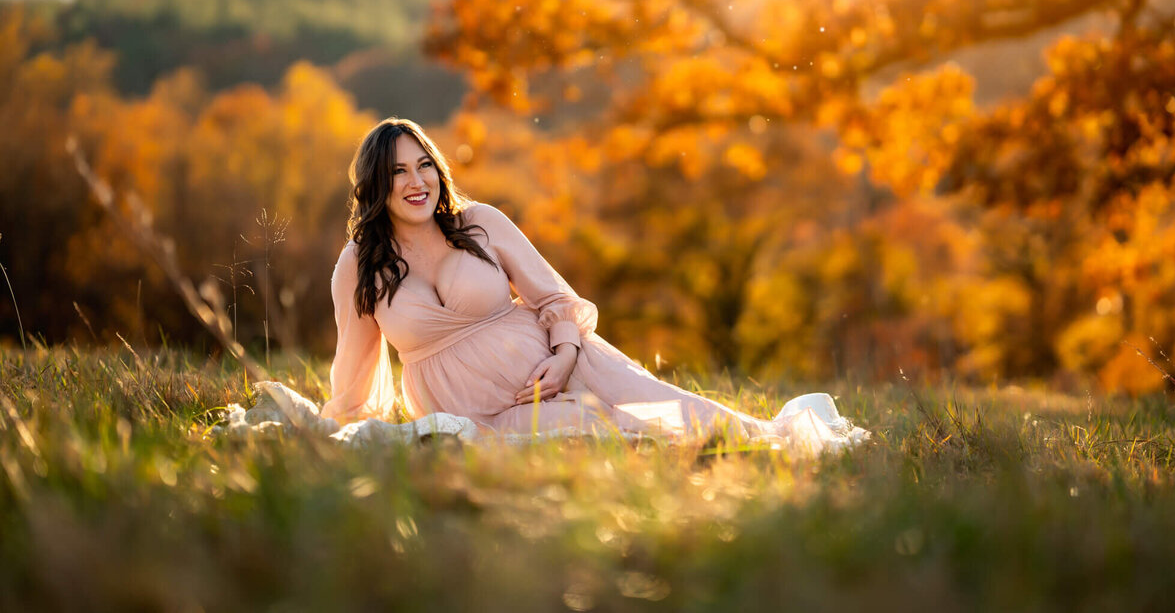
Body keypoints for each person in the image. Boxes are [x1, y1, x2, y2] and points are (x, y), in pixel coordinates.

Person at [320, 117, 866, 451]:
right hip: (477, 413)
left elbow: (553, 297)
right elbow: (354, 365)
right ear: (375, 185)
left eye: (424, 166)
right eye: (397, 172)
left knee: (685, 420)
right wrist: (335, 426)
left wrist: (563, 355)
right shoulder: (360, 265)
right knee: (604, 439)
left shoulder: (478, 222)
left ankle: (775, 440)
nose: (416, 183)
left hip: (567, 363)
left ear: (439, 170)